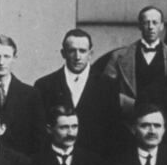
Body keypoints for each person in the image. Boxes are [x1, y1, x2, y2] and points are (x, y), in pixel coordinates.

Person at [35, 28, 120, 156]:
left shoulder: (108, 85)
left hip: (97, 162)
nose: (77, 57)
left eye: (82, 51)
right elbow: (40, 130)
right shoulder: (45, 85)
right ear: (63, 53)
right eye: (72, 51)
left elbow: (113, 129)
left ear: (90, 54)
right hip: (56, 161)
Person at [102, 6, 167, 116]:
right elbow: (106, 89)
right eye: (146, 23)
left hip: (163, 118)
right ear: (139, 26)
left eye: (155, 23)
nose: (150, 27)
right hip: (129, 118)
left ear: (162, 26)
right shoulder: (119, 56)